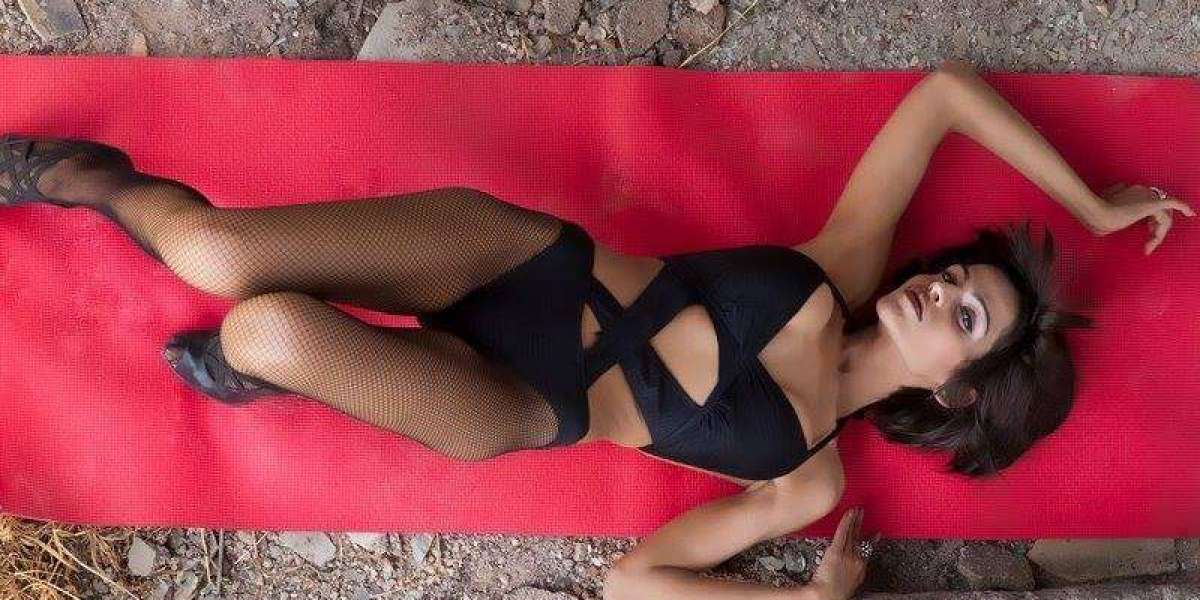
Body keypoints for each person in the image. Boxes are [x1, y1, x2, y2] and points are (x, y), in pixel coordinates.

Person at [0, 59, 1189, 599]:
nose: (937, 288)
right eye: (955, 277)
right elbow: (944, 93)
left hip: (516, 403)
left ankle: (276, 366)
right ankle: (89, 177)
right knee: (216, 255)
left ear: (960, 387)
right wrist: (1088, 203)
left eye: (965, 312)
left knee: (267, 334)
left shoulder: (808, 477)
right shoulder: (843, 268)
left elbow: (638, 584)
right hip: (520, 260)